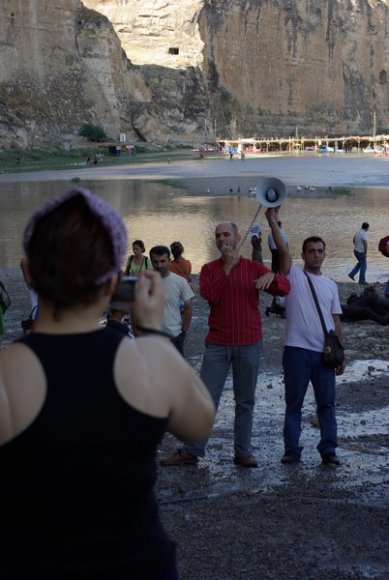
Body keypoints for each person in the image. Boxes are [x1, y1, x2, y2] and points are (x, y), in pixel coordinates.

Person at [0, 188, 215, 579]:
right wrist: (151, 334)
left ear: (27, 272)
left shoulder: (6, 373)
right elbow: (200, 421)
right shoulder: (146, 363)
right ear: (113, 282)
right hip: (139, 563)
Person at [160, 222, 290, 468]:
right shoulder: (209, 269)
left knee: (245, 401)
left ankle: (243, 452)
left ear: (238, 238)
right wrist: (227, 268)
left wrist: (274, 276)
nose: (222, 239)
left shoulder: (253, 267)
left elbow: (285, 289)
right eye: (218, 236)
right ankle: (193, 449)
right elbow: (212, 296)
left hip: (249, 342)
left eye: (227, 234)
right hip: (218, 345)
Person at [265, 208, 345, 467]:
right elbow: (282, 248)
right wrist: (272, 222)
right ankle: (292, 450)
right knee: (294, 404)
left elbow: (335, 321)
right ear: (303, 255)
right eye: (311, 251)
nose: (316, 255)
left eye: (320, 251)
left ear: (324, 254)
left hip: (325, 353)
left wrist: (341, 352)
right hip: (297, 350)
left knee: (327, 405)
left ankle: (329, 451)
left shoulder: (331, 285)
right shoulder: (295, 275)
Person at [149, 245, 194, 357]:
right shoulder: (145, 281)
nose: (159, 265)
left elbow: (188, 307)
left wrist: (184, 331)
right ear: (151, 262)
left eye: (163, 261)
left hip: (174, 336)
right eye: (155, 262)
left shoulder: (180, 281)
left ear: (169, 260)